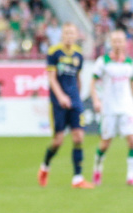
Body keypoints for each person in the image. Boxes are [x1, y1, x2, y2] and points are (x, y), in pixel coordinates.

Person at [38, 22, 94, 188]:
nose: (69, 36)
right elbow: (52, 78)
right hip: (58, 102)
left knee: (78, 137)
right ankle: (45, 167)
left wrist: (78, 97)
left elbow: (77, 78)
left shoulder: (78, 55)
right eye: (66, 33)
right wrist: (61, 96)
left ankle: (78, 178)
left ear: (76, 36)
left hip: (75, 101)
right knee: (58, 141)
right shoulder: (54, 52)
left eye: (72, 33)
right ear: (62, 35)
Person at [91, 30, 133, 186]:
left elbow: (132, 83)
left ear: (125, 43)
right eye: (115, 41)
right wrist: (96, 100)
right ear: (111, 43)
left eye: (120, 41)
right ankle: (97, 169)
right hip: (109, 107)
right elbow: (93, 82)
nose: (118, 44)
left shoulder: (129, 63)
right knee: (105, 143)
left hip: (127, 106)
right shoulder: (103, 61)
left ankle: (131, 177)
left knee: (132, 141)